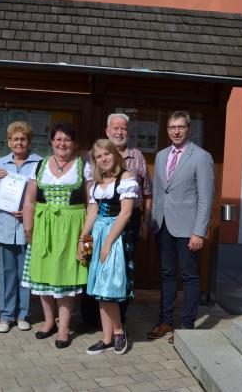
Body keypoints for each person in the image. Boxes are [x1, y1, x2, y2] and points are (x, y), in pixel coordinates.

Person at [79, 113, 152, 332]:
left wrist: (146, 221)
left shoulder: (137, 157)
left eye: (123, 129)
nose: (119, 132)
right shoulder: (95, 158)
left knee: (120, 273)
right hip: (100, 220)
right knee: (94, 269)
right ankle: (91, 320)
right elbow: (91, 199)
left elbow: (147, 192)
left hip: (128, 220)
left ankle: (118, 323)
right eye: (115, 128)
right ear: (107, 130)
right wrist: (84, 236)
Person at [147, 110, 214, 344]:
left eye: (180, 127)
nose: (176, 131)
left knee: (189, 276)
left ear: (189, 129)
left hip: (188, 229)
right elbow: (158, 192)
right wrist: (152, 220)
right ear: (167, 130)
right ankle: (165, 321)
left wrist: (199, 231)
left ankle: (186, 326)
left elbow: (206, 198)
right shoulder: (163, 155)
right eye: (171, 127)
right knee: (166, 274)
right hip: (163, 225)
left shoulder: (201, 157)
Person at [21, 122, 88, 349]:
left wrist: (85, 235)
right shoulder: (39, 166)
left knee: (65, 278)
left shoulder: (83, 166)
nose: (62, 143)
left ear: (74, 143)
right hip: (43, 227)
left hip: (71, 228)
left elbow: (90, 203)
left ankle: (63, 327)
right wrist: (28, 229)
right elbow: (30, 200)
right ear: (51, 141)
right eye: (58, 139)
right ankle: (49, 321)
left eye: (67, 140)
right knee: (42, 276)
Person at [79, 139, 138, 355]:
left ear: (114, 154)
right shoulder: (95, 183)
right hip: (98, 233)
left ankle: (119, 332)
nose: (104, 159)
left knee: (108, 288)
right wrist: (83, 239)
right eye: (99, 156)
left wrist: (108, 243)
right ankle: (106, 338)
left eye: (107, 154)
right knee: (98, 288)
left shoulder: (126, 177)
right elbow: (92, 213)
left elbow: (126, 213)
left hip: (116, 235)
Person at [0, 121, 42, 333]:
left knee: (24, 274)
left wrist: (31, 211)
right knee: (5, 272)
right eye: (15, 139)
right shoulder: (1, 163)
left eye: (23, 139)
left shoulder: (39, 163)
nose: (19, 142)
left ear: (29, 142)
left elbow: (43, 195)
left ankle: (22, 314)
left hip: (27, 227)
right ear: (9, 142)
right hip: (4, 226)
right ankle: (5, 315)